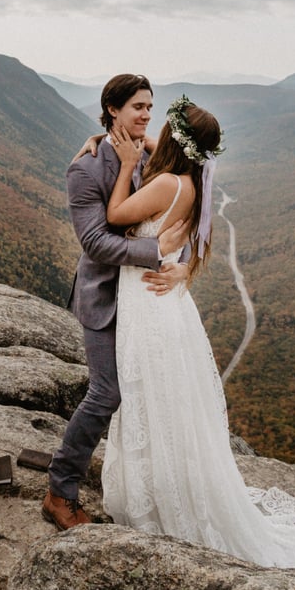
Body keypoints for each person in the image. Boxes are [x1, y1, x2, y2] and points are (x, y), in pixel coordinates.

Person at [101, 95, 295, 590]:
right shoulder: (192, 182)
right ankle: (168, 491)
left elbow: (117, 214)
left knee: (151, 399)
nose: (152, 133)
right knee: (167, 406)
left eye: (161, 128)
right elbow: (170, 177)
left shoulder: (165, 183)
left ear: (174, 142)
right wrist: (136, 142)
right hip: (163, 304)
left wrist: (124, 165)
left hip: (148, 304)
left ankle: (161, 502)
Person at [42, 74, 190, 531]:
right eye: (137, 108)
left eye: (150, 106)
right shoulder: (85, 168)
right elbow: (95, 243)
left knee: (149, 393)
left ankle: (143, 488)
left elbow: (189, 205)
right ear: (112, 110)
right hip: (105, 299)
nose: (147, 115)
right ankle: (59, 490)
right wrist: (158, 252)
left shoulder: (152, 154)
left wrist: (186, 263)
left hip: (146, 299)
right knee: (108, 393)